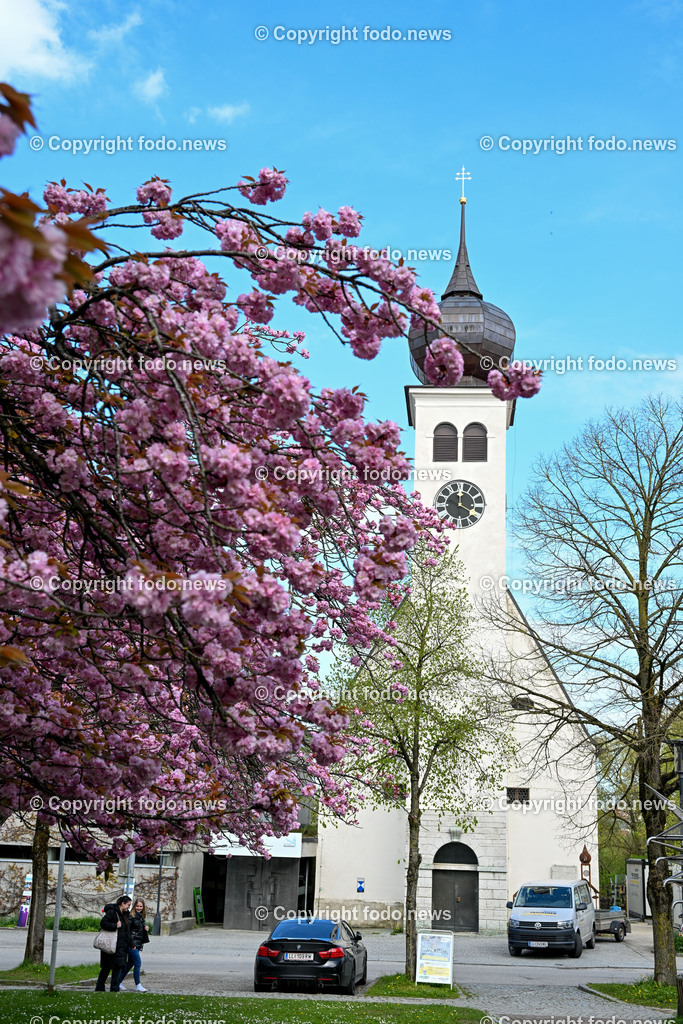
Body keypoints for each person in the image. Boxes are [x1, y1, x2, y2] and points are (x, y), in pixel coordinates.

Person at [95, 895, 131, 992]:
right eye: (128, 905)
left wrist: (130, 943)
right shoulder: (112, 913)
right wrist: (115, 925)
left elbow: (127, 930)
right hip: (110, 945)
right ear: (122, 903)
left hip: (121, 946)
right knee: (106, 968)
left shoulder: (126, 914)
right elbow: (103, 923)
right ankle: (100, 988)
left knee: (118, 968)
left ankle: (114, 989)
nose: (129, 907)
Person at [120, 896, 150, 992]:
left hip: (137, 944)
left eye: (141, 906)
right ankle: (138, 985)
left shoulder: (141, 917)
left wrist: (145, 929)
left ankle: (118, 981)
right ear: (134, 906)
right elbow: (128, 931)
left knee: (130, 964)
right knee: (138, 963)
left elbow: (138, 931)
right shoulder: (131, 916)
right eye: (137, 906)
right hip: (132, 944)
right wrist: (132, 944)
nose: (139, 908)